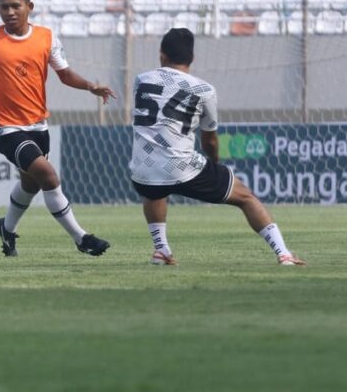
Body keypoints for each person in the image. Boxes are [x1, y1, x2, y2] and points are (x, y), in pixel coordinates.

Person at [0, 0, 114, 258]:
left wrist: (90, 86)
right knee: (48, 175)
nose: (10, 12)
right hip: (6, 129)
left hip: (39, 126)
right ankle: (81, 237)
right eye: (4, 7)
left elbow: (64, 74)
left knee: (31, 184)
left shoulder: (47, 38)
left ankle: (7, 228)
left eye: (16, 6)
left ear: (29, 6)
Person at [129, 28, 305, 266]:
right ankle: (284, 254)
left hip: (140, 170)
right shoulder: (204, 90)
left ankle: (161, 250)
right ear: (192, 58)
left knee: (155, 188)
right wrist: (215, 164)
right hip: (181, 167)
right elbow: (209, 139)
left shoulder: (142, 80)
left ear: (162, 56)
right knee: (246, 197)